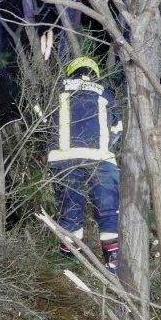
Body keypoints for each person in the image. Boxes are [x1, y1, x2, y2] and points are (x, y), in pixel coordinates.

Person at [48, 56, 124, 272]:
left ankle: (69, 263)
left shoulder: (58, 91)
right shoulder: (106, 94)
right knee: (108, 211)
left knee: (71, 208)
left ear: (71, 72)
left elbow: (45, 124)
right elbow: (118, 128)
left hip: (64, 160)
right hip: (100, 159)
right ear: (94, 74)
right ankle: (113, 264)